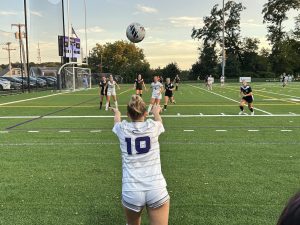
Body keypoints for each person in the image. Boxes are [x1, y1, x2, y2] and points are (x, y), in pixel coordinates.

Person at [111, 95, 170, 225]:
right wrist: (156, 112)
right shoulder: (153, 126)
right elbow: (159, 121)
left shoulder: (122, 128)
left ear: (128, 114)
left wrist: (117, 113)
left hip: (131, 189)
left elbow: (116, 122)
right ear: (145, 113)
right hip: (156, 187)